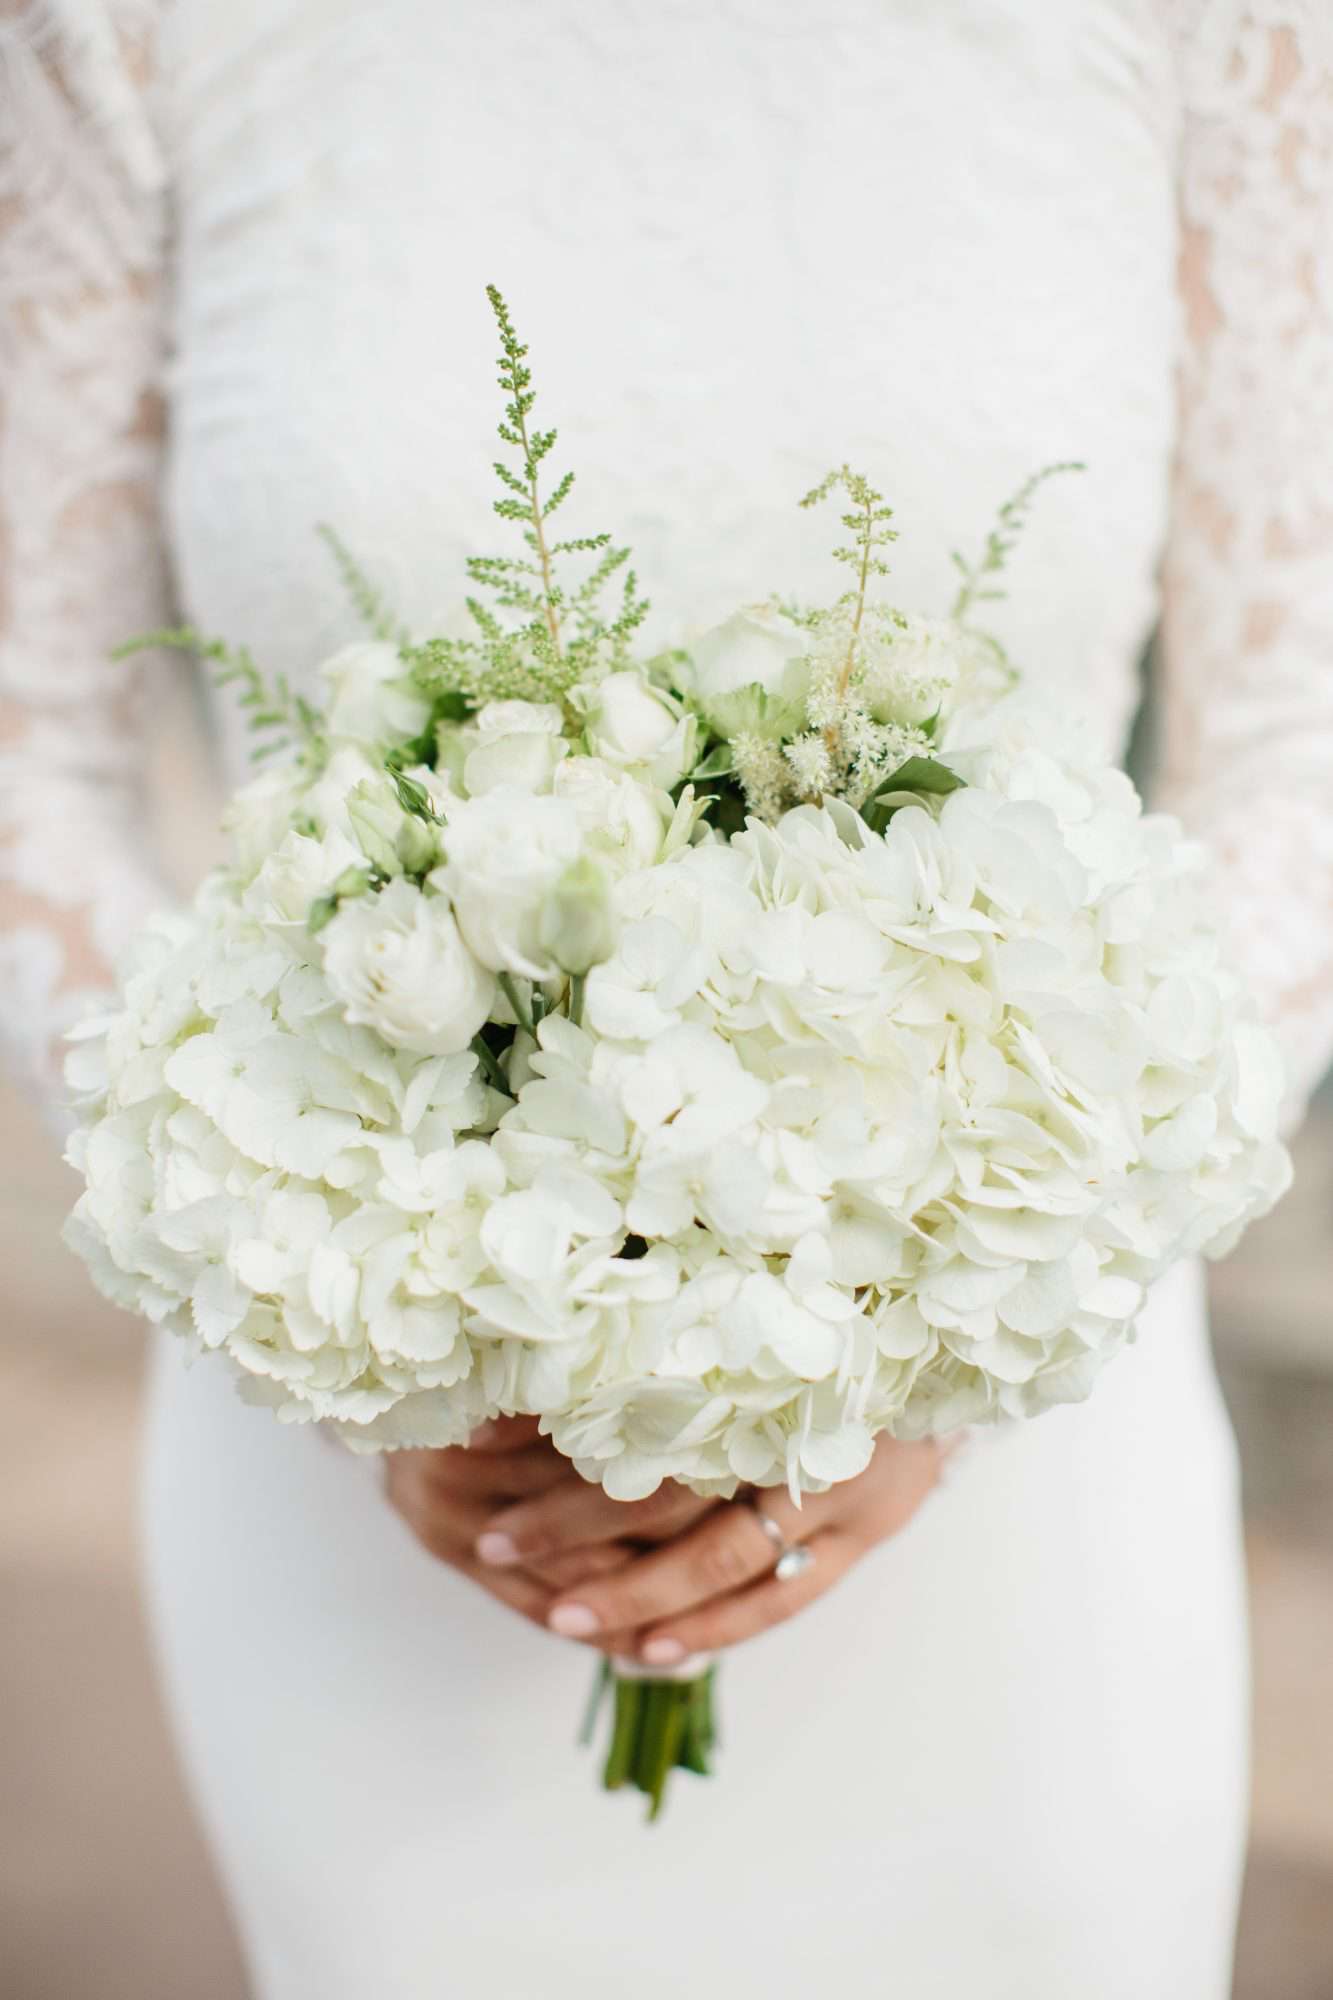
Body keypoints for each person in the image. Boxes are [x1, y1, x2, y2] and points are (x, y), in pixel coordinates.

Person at [2, 4, 1330, 1995]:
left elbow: (1299, 731)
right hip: (387, 1465)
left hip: (1016, 1464)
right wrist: (376, 1298)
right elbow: (25, 731)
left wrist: (934, 1334)